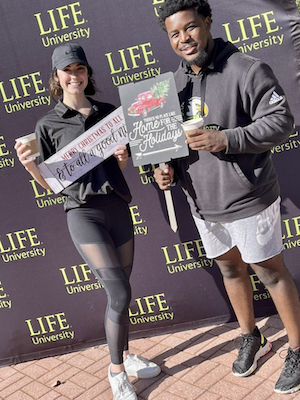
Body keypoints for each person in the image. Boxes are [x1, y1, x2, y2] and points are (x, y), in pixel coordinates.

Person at [154, 0, 300, 394]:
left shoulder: (246, 69)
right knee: (231, 271)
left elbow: (281, 121)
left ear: (208, 23)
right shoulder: (171, 86)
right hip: (203, 203)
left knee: (270, 272)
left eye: (190, 27)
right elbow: (167, 145)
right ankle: (251, 335)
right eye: (174, 33)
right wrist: (163, 168)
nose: (184, 38)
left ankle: (298, 349)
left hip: (249, 197)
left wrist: (228, 139)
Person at [15, 43, 160, 400]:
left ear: (87, 74)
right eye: (67, 70)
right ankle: (116, 373)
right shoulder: (47, 124)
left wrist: (122, 159)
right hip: (83, 214)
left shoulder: (109, 114)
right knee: (119, 292)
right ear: (56, 77)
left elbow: (116, 170)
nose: (74, 76)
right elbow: (53, 183)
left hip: (118, 208)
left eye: (80, 69)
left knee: (122, 291)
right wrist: (31, 165)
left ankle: (126, 354)